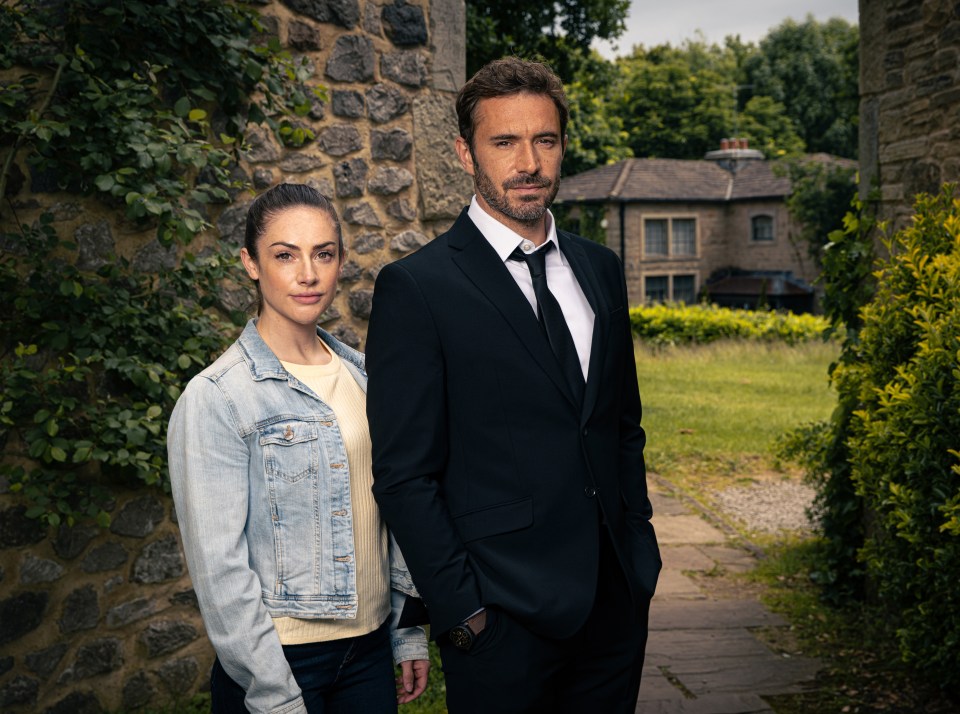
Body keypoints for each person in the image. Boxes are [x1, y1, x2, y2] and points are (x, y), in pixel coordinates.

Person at [365, 57, 662, 713]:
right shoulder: (418, 288)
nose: (528, 161)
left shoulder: (601, 269)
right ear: (465, 152)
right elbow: (403, 473)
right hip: (500, 619)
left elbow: (619, 426)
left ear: (561, 145)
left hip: (614, 603)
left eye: (545, 140)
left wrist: (640, 551)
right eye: (504, 142)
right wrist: (461, 610)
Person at [167, 183, 429, 714]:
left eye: (323, 254)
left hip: (370, 652)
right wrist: (272, 692)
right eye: (285, 255)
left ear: (339, 262)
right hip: (279, 662)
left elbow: (395, 515)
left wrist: (407, 632)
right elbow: (219, 570)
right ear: (251, 264)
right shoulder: (217, 397)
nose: (308, 274)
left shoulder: (366, 378)